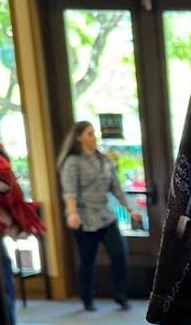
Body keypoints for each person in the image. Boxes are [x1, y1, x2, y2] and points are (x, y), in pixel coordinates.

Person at [57, 121, 141, 310]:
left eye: (93, 133)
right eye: (89, 133)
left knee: (119, 254)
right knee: (87, 260)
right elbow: (69, 191)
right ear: (79, 138)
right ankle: (87, 299)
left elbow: (116, 188)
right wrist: (72, 213)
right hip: (84, 219)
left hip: (106, 216)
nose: (94, 137)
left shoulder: (103, 160)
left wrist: (130, 209)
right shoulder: (72, 162)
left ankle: (121, 295)